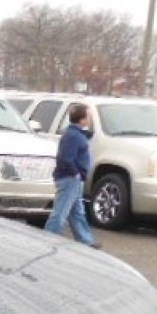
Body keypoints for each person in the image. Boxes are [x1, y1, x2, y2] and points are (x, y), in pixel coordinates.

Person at [45, 103, 100, 248]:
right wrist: (75, 173)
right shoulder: (73, 136)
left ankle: (85, 240)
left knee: (77, 212)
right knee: (61, 211)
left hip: (75, 179)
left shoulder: (77, 134)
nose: (90, 118)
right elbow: (65, 158)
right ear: (81, 119)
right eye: (88, 116)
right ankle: (48, 238)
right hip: (70, 179)